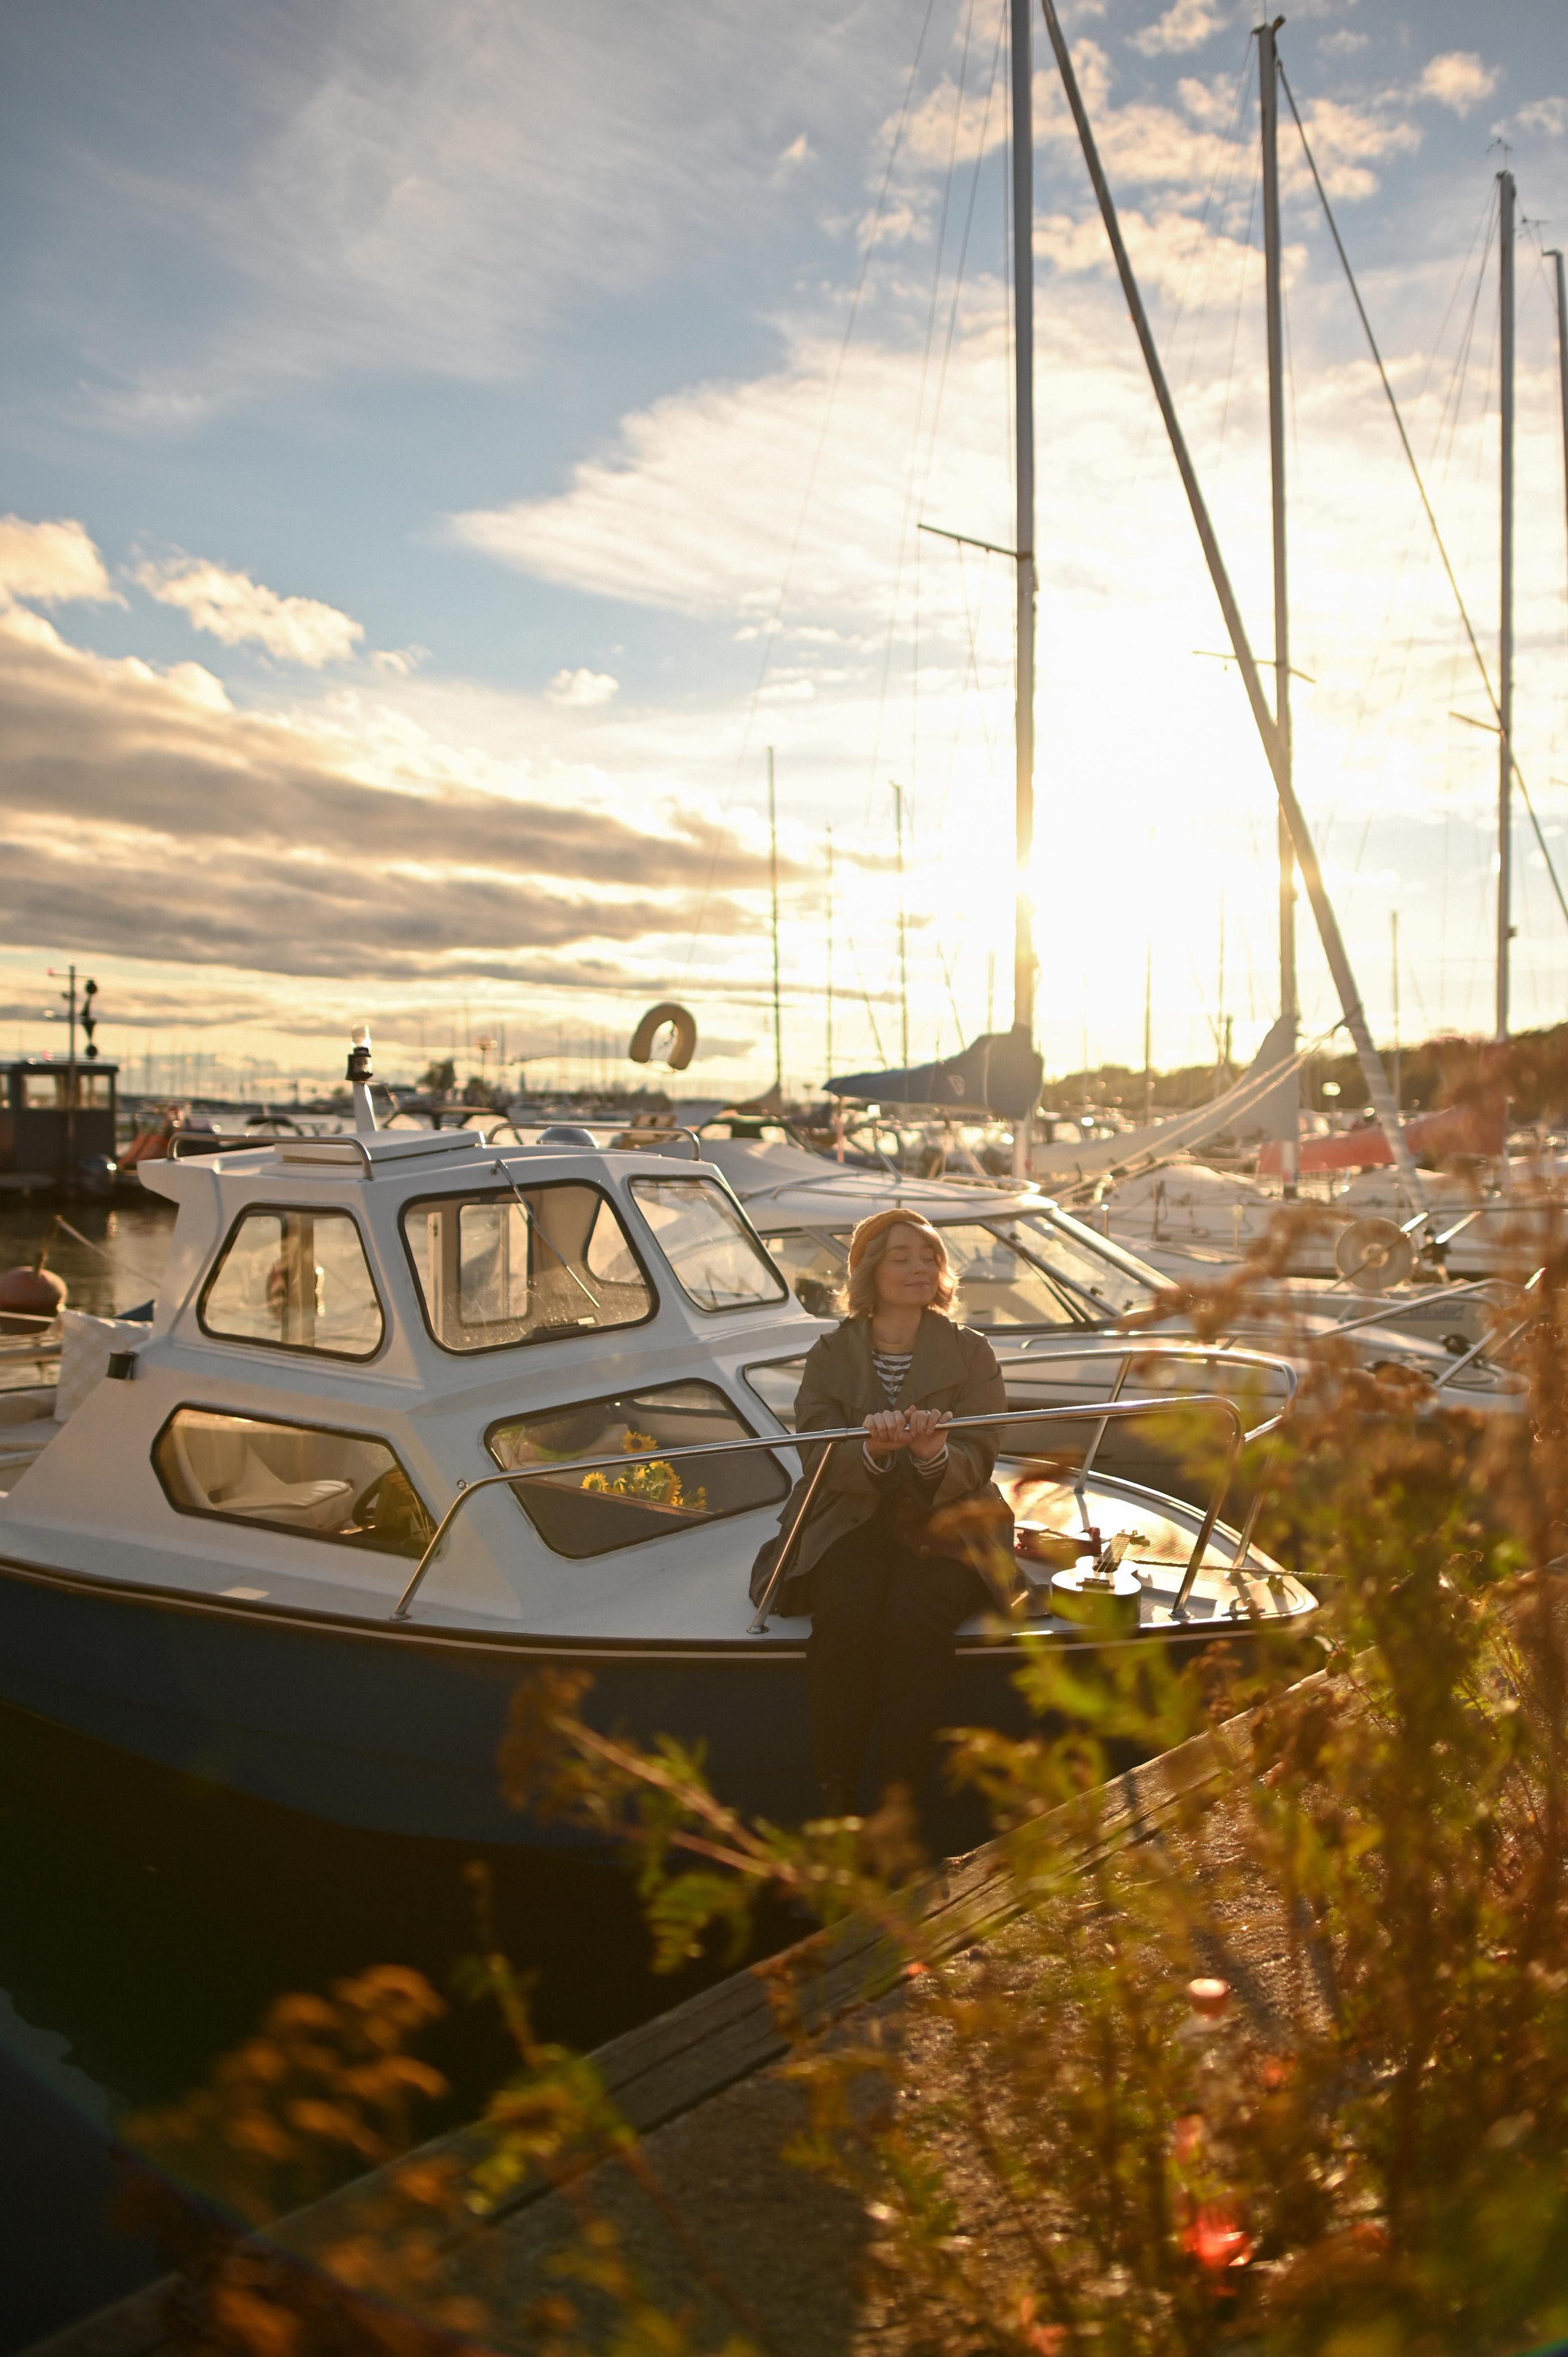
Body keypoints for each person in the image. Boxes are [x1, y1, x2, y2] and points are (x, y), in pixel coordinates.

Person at [750, 1208, 1016, 1817]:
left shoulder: (972, 1353)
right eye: (902, 1256)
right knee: (844, 1618)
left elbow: (981, 1456)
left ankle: (898, 1801)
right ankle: (836, 1790)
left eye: (928, 1256)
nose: (919, 1267)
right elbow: (815, 1452)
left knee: (916, 1622)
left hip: (947, 1518)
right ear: (871, 1270)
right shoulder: (829, 1353)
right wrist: (868, 1451)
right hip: (853, 1515)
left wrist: (931, 1456)